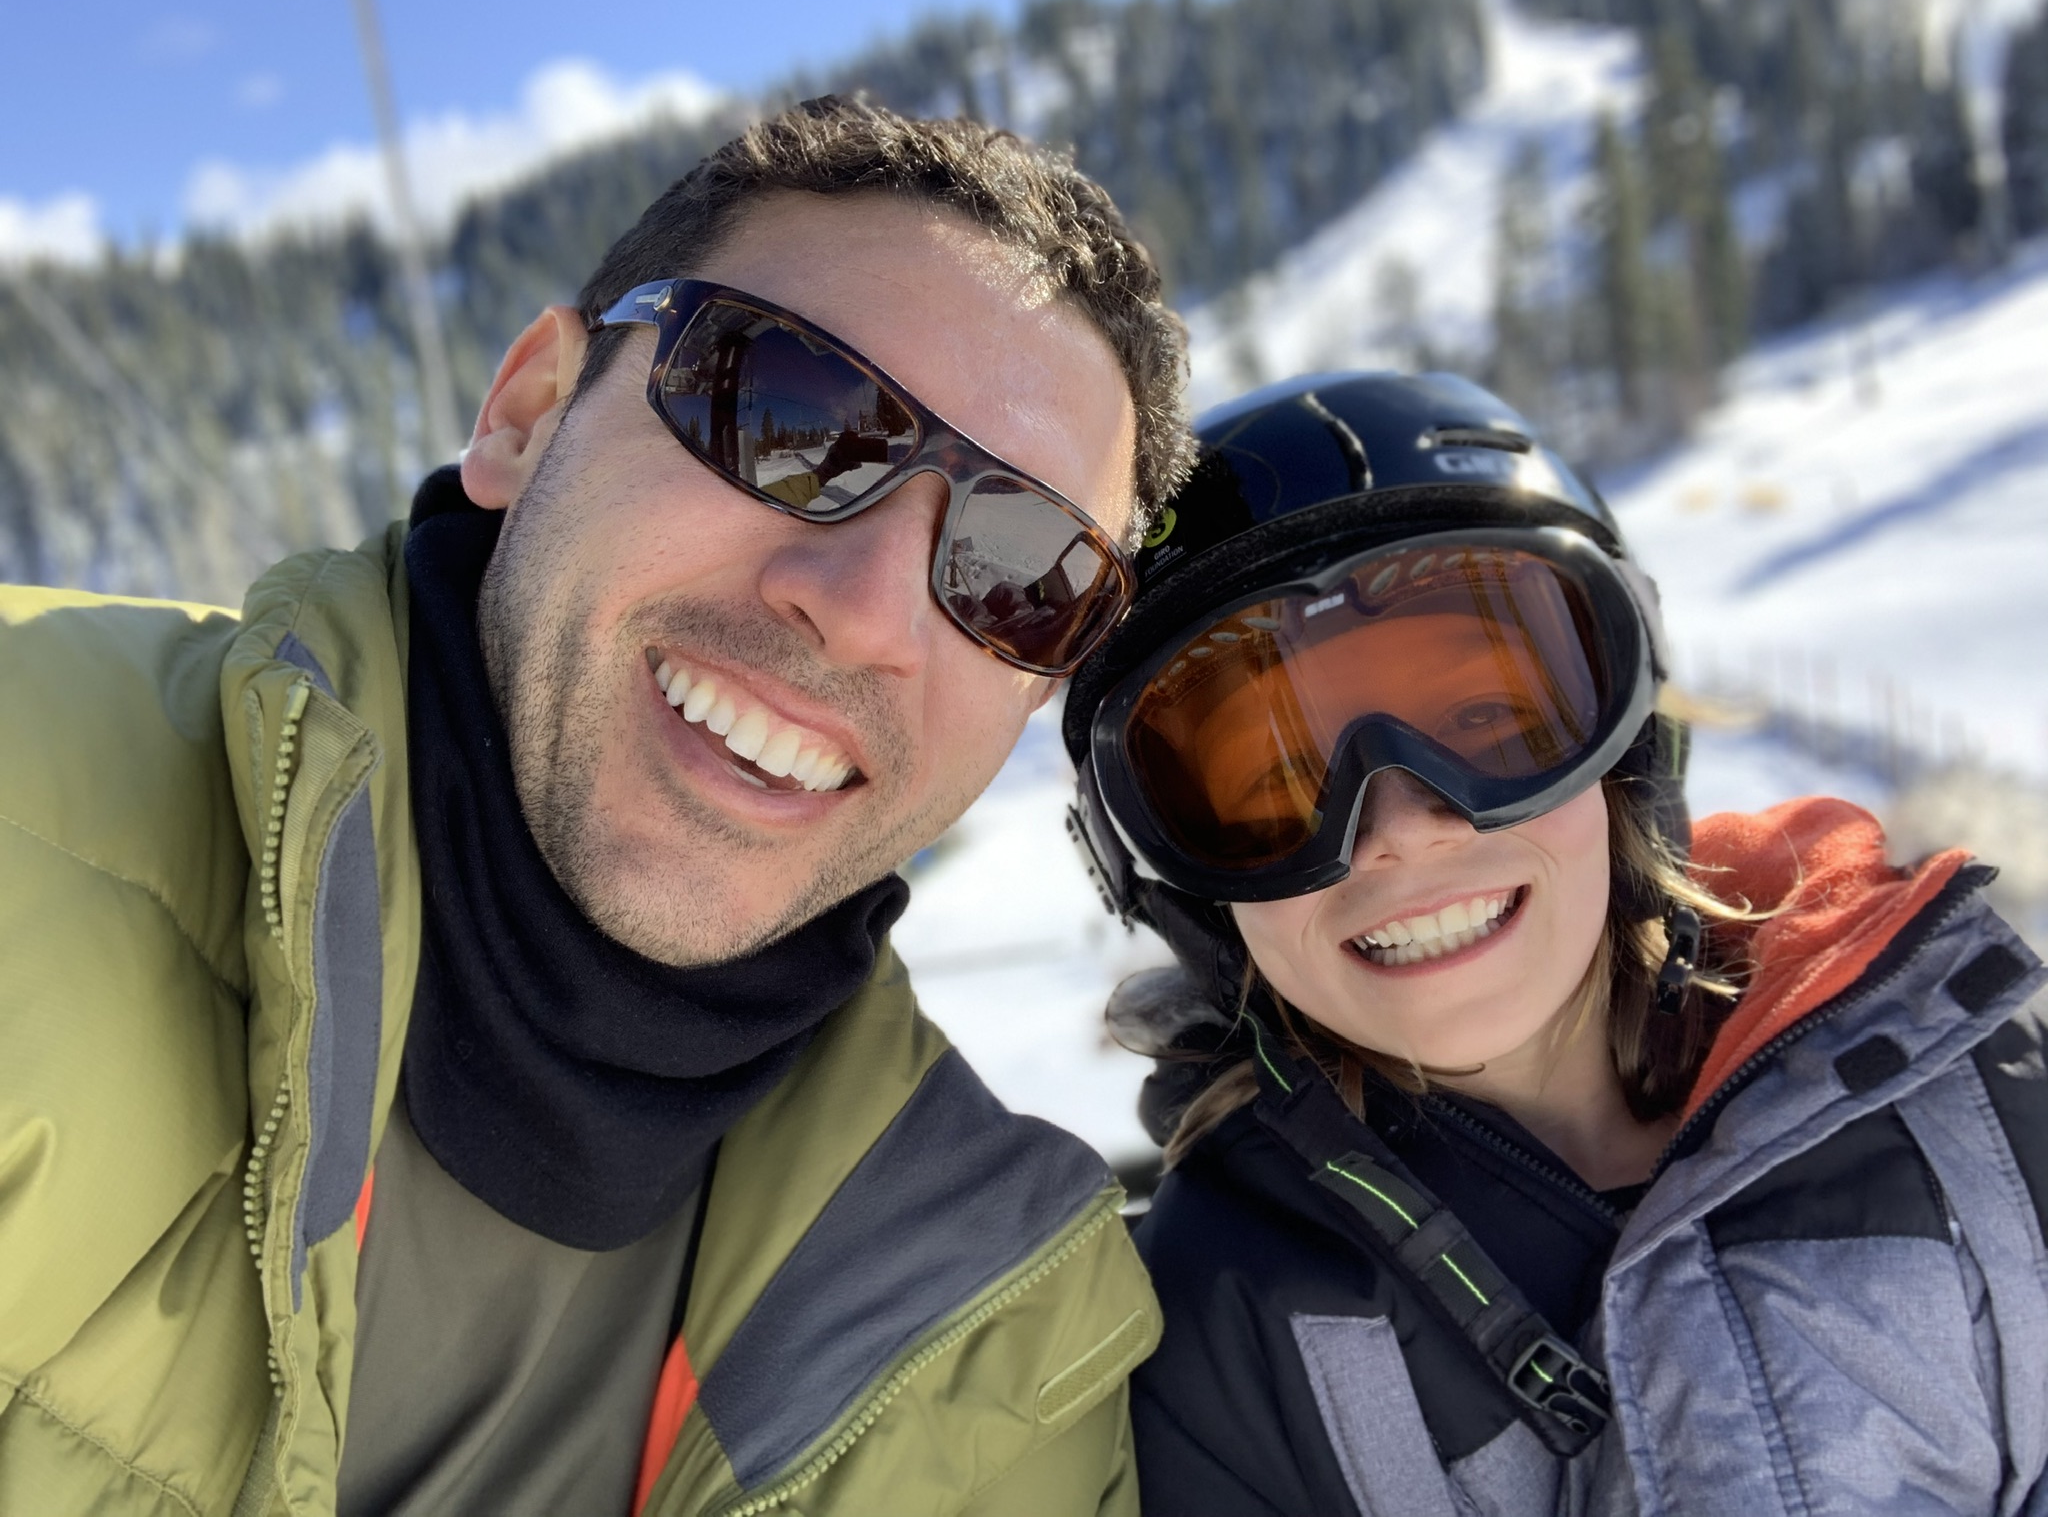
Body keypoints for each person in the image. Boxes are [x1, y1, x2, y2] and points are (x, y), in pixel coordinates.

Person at [0, 100, 1196, 1516]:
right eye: (784, 417)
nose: (867, 612)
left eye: (1022, 576)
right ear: (526, 416)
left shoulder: (1007, 1342)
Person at [1062, 371, 2048, 1516]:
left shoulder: (1962, 1096)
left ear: (1621, 753)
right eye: (1276, 786)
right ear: (1176, 886)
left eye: (1486, 725)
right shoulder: (1216, 1331)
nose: (1399, 830)